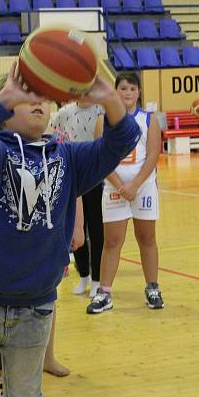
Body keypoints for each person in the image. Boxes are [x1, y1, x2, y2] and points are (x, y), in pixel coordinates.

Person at [0, 62, 139, 397]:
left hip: (35, 306)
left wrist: (109, 97)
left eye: (44, 98)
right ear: (4, 110)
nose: (39, 103)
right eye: (26, 96)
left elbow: (122, 141)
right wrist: (0, 101)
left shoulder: (68, 157)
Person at [86, 72, 163, 314]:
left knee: (147, 238)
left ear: (139, 93)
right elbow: (100, 157)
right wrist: (120, 185)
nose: (128, 92)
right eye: (123, 88)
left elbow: (152, 155)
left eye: (132, 88)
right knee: (111, 242)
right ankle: (105, 293)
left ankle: (152, 287)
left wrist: (135, 185)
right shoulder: (103, 121)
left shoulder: (149, 120)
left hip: (144, 187)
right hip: (113, 186)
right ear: (115, 92)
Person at [50, 99, 106, 298]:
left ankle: (98, 279)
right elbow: (55, 137)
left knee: (97, 230)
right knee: (76, 227)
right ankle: (83, 275)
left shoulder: (101, 109)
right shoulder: (64, 112)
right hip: (73, 176)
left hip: (96, 176)